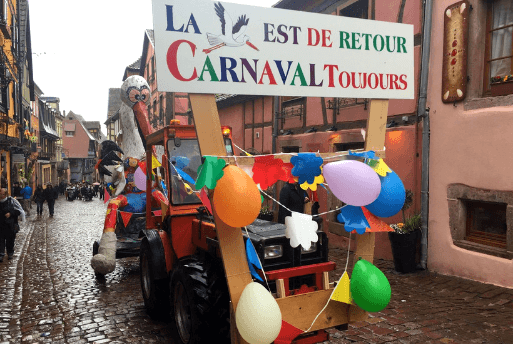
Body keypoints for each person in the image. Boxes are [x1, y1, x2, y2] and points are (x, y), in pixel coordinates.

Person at [0, 188, 24, 262]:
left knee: (10, 240)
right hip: (1, 225)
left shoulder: (12, 201)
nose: (1, 195)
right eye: (0, 194)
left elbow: (19, 211)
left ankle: (10, 253)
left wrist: (10, 214)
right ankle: (1, 254)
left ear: (6, 194)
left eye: (2, 194)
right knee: (0, 240)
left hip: (10, 225)